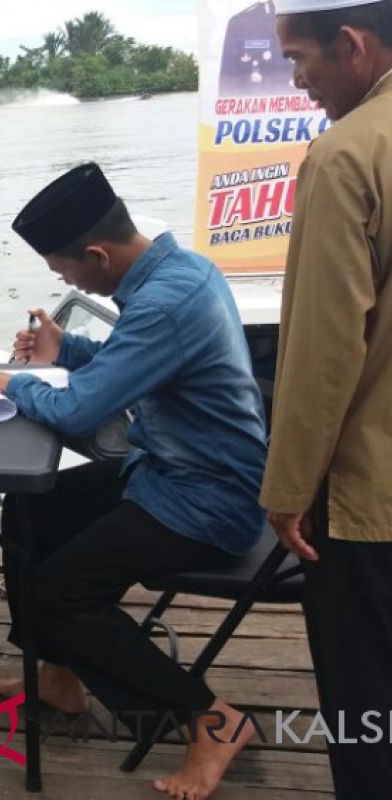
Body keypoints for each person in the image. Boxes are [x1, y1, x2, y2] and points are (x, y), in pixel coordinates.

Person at [0, 163, 269, 799]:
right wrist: (66, 351)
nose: (66, 281)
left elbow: (81, 410)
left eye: (66, 271)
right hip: (165, 469)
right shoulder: (181, 272)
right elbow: (134, 363)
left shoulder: (163, 302)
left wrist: (15, 383)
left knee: (61, 593)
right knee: (31, 509)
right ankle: (58, 675)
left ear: (97, 255)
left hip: (207, 499)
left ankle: (210, 720)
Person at [263, 2, 392, 796]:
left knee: (367, 704)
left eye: (299, 57)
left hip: (369, 493)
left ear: (352, 44)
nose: (298, 79)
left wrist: (287, 490)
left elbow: (323, 349)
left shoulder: (347, 155)